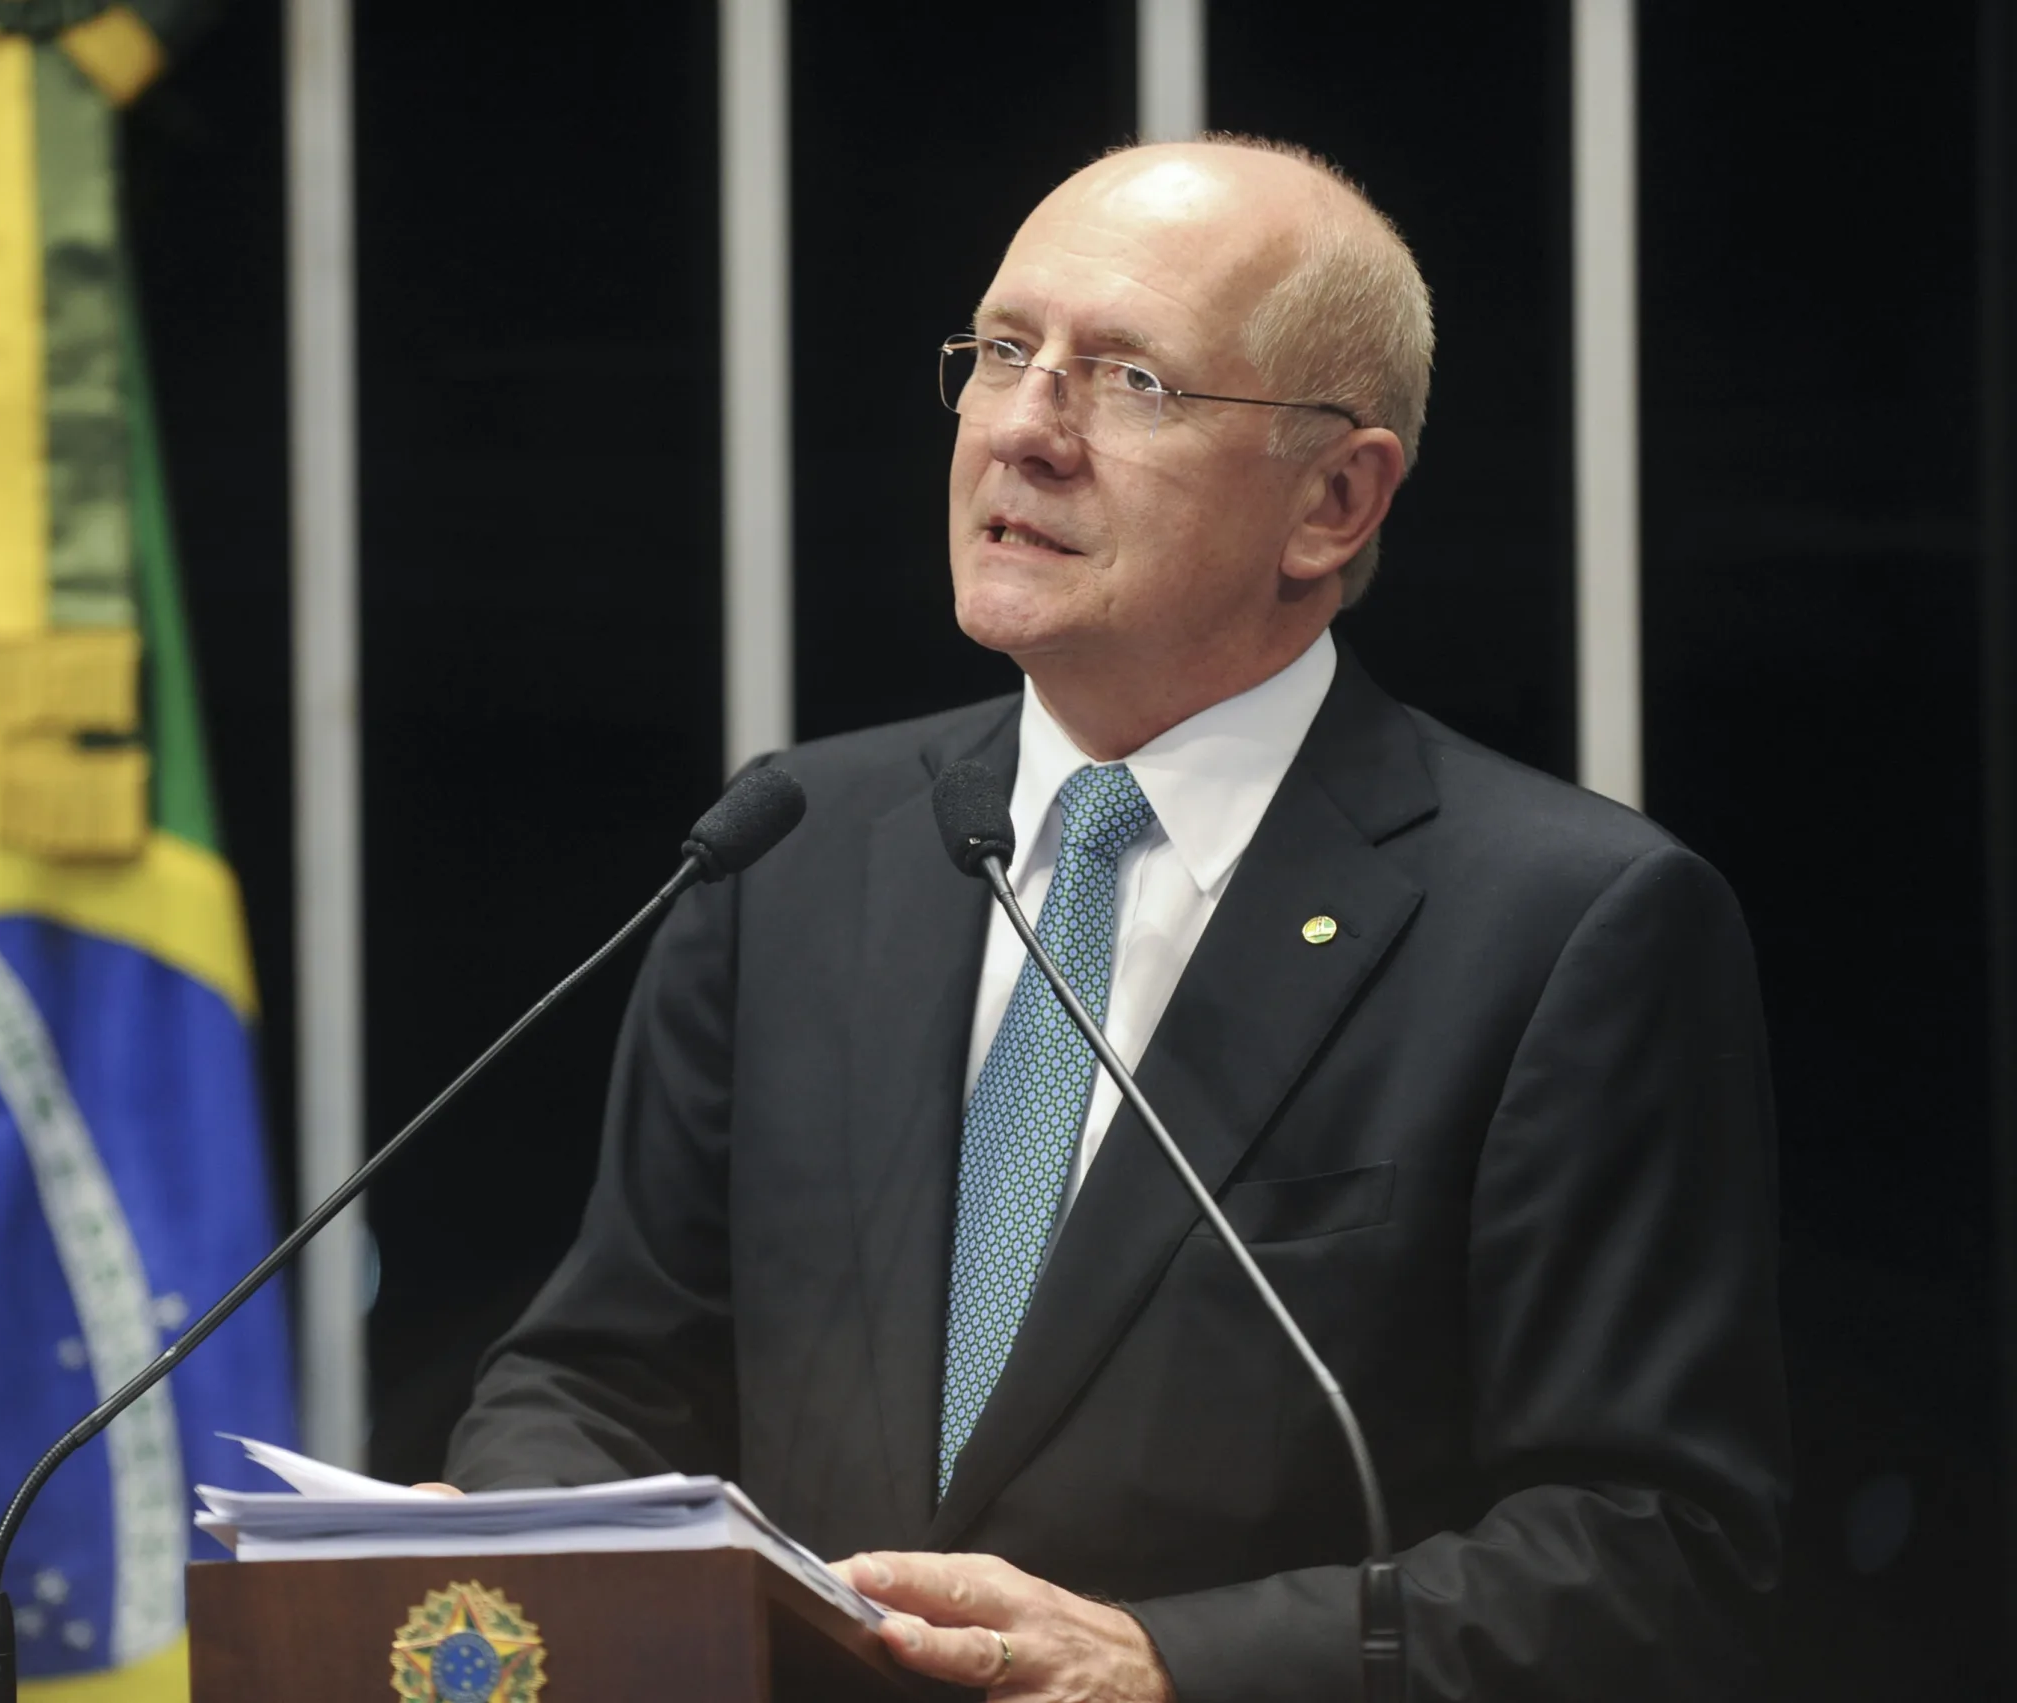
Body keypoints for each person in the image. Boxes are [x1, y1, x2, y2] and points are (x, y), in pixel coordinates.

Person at [442, 137, 1788, 1702]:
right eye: (1004, 353)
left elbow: (1657, 1545)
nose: (1023, 430)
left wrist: (1177, 1664)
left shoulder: (1571, 929)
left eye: (1131, 380)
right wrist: (523, 1527)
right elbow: (603, 1368)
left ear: (1335, 499)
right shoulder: (790, 853)